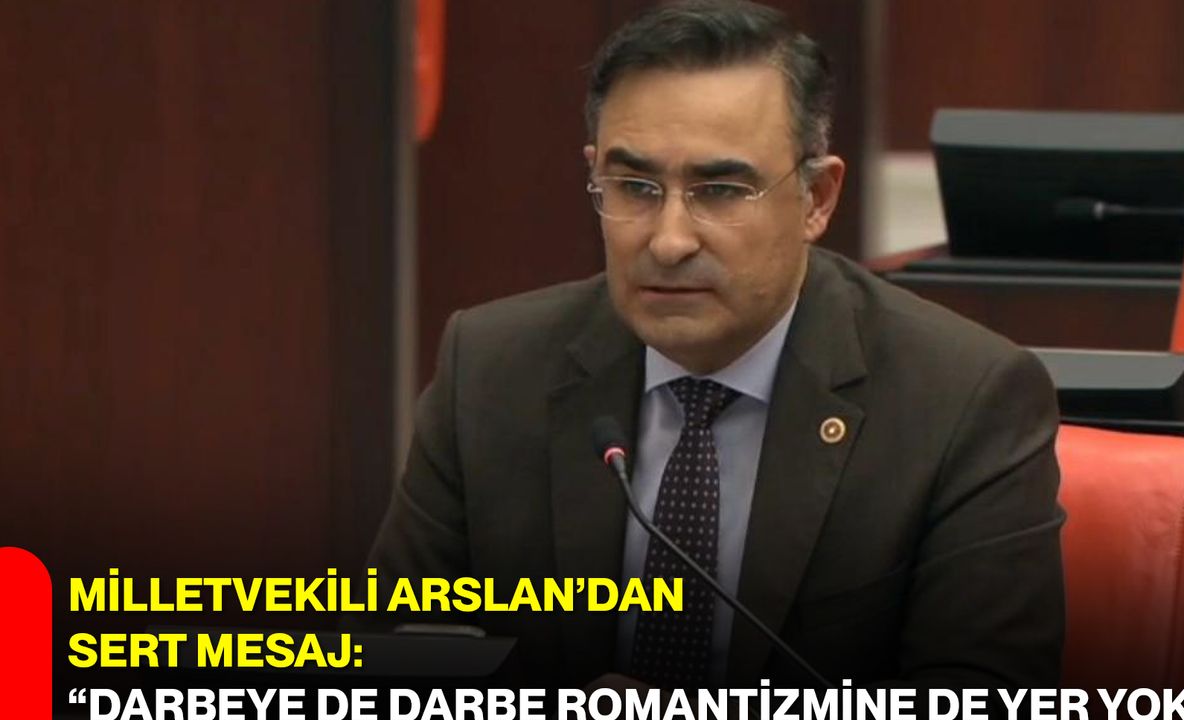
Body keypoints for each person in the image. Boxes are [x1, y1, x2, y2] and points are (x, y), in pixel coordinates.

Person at [368, 0, 1064, 691]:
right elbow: (384, 658)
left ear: (818, 198)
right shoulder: (491, 370)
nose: (670, 240)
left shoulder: (962, 401)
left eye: (722, 190)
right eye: (635, 187)